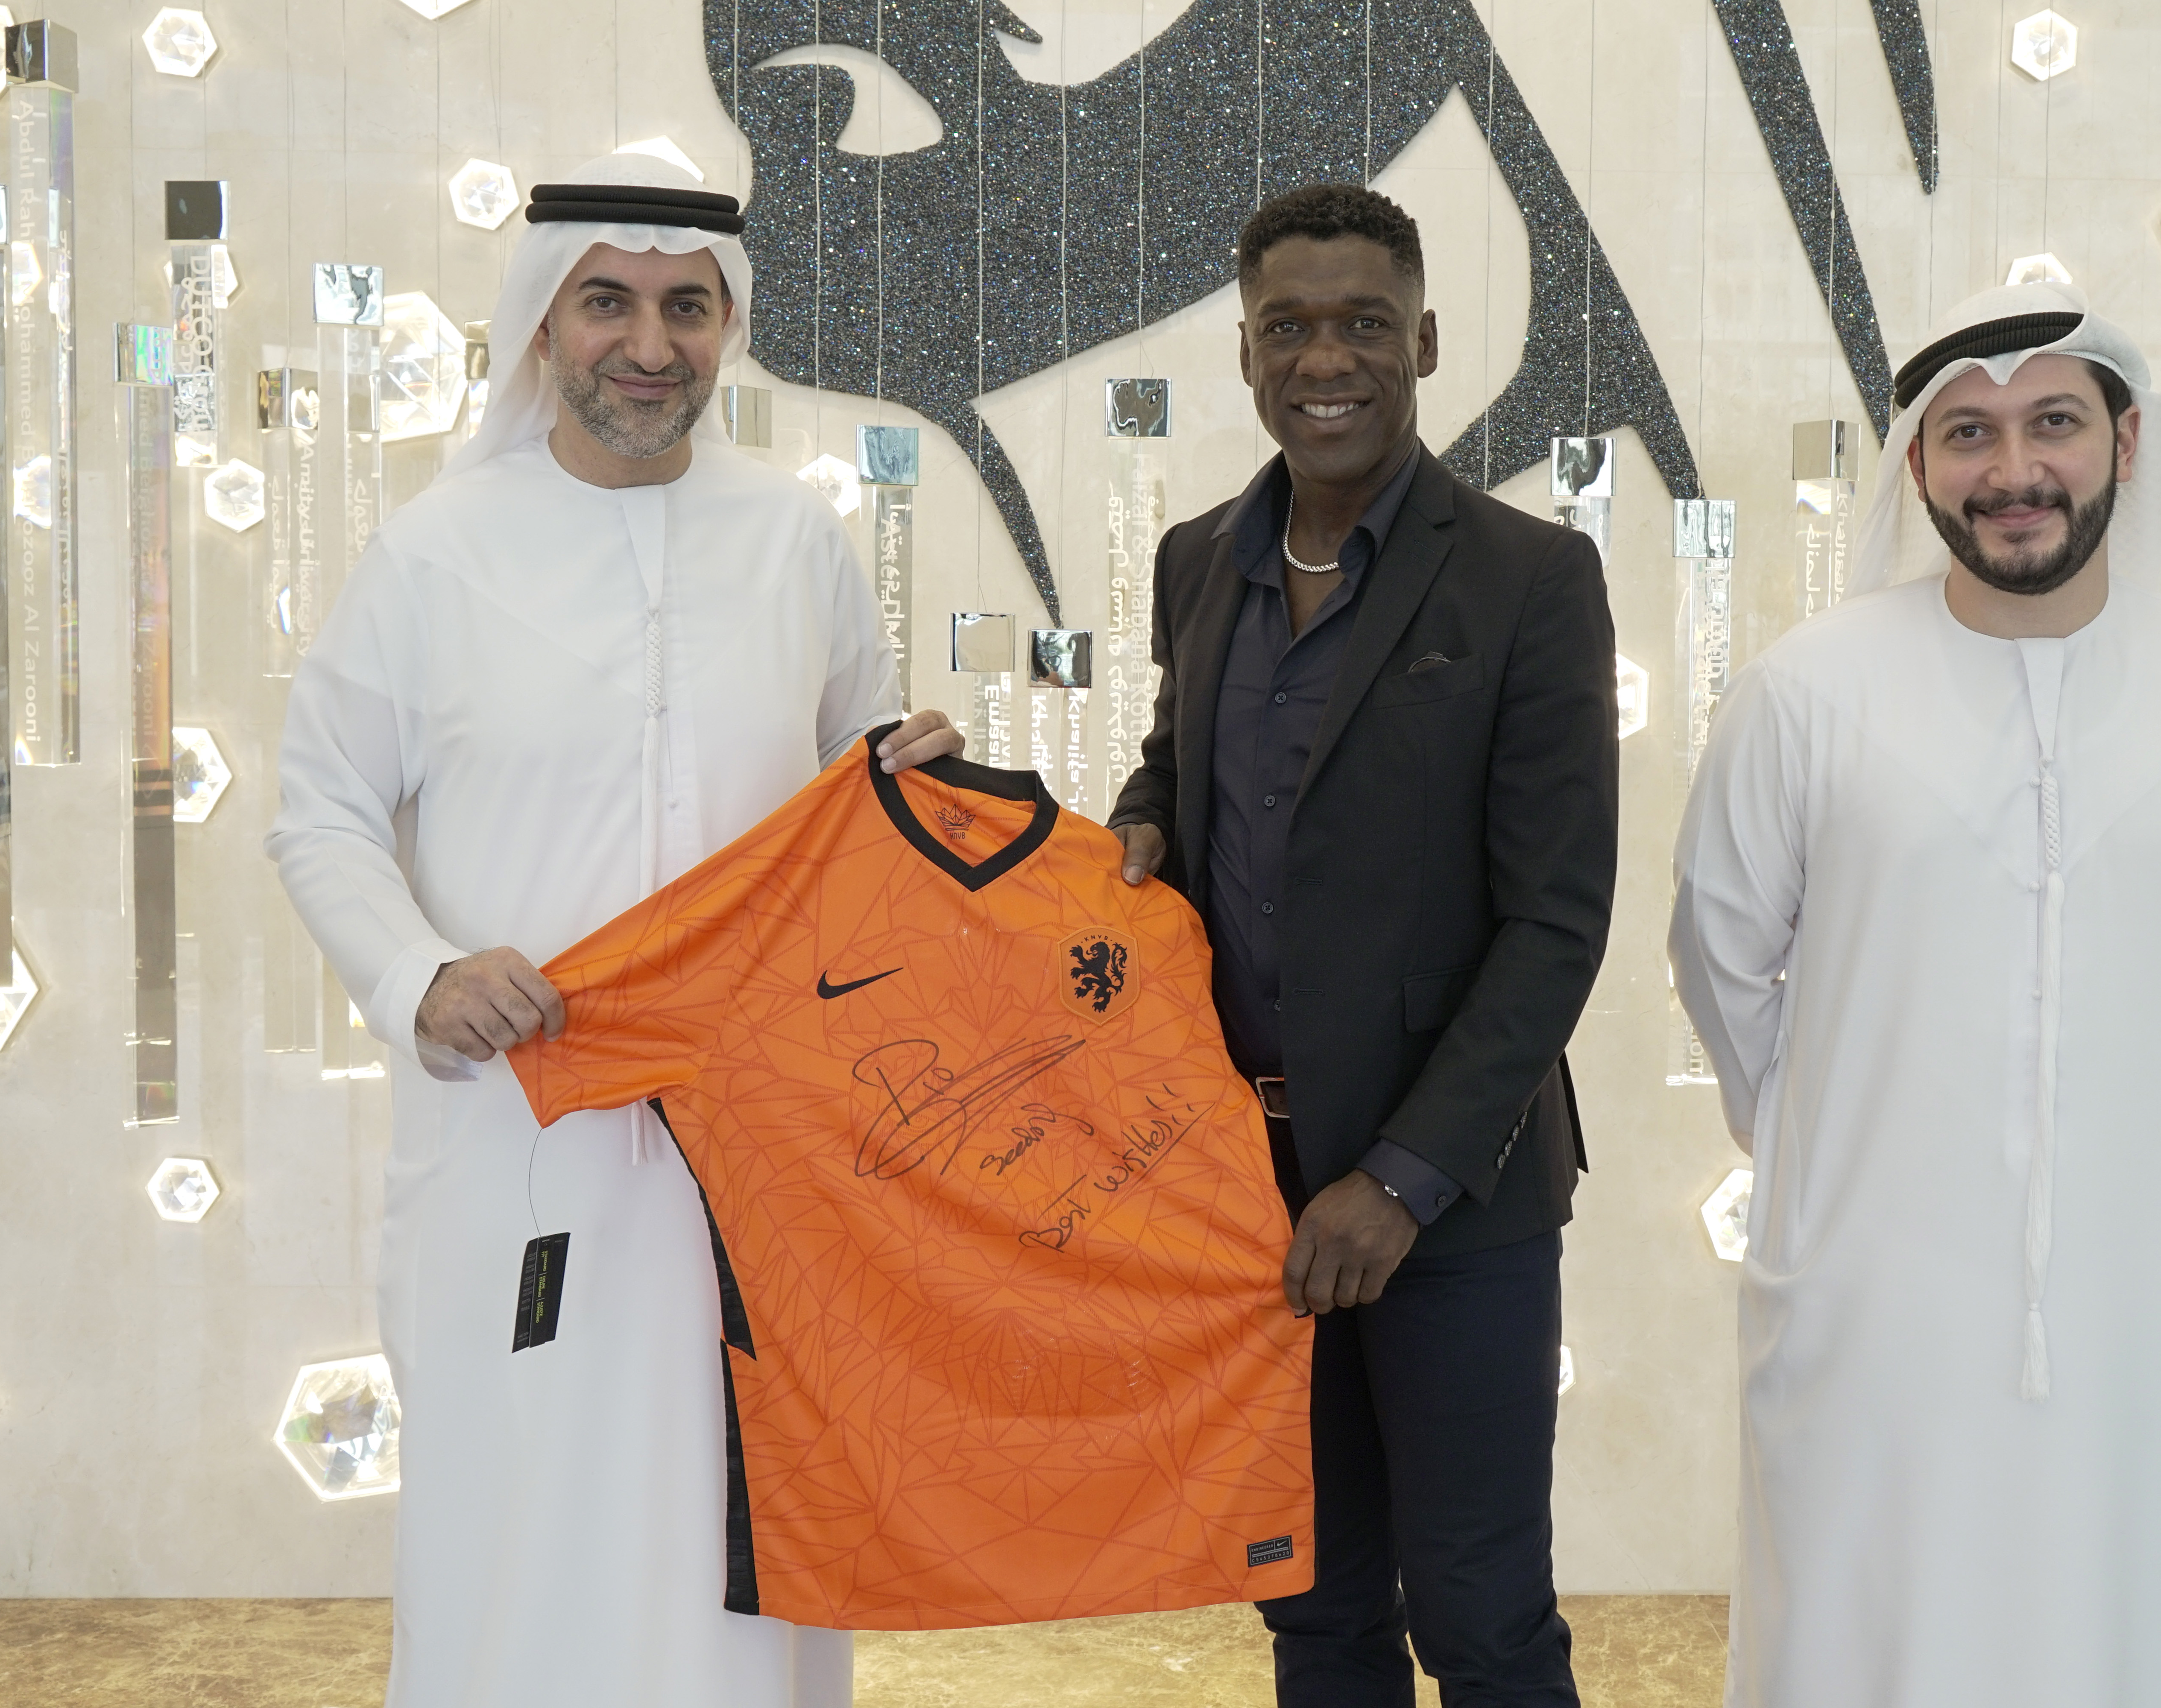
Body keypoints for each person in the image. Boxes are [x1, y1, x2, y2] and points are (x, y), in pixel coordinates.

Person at [267, 154, 963, 1708]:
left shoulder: (795, 539)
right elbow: (319, 809)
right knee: (523, 1516)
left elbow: (858, 790)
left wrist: (919, 781)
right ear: (544, 323)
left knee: (743, 1517)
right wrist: (419, 974)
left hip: (757, 1158)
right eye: (609, 304)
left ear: (728, 329)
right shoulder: (436, 552)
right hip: (515, 1140)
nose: (649, 347)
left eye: (686, 310)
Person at [1669, 281, 2161, 1708]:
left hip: (2141, 1292)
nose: (2014, 469)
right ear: (1919, 464)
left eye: (2054, 423)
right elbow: (1720, 948)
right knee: (1862, 1622)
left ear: (2126, 442)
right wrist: (1829, 1138)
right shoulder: (1807, 692)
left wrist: (2126, 1116)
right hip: (1870, 1291)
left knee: (2129, 1618)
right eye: (1969, 433)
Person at [1108, 183, 1617, 1708]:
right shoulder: (1197, 560)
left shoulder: (1531, 578)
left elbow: (1556, 920)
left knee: (1483, 1622)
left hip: (1455, 1199)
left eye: (1364, 325)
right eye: (1289, 328)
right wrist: (1139, 824)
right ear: (1246, 353)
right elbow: (1179, 765)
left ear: (1426, 342)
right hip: (1242, 1195)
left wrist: (1398, 1183)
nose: (1325, 359)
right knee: (1316, 1613)